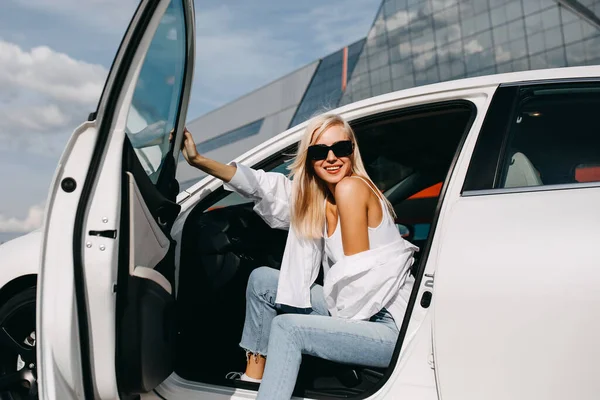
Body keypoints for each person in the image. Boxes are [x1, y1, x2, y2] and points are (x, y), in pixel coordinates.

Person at [181, 113, 418, 400]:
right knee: (262, 281)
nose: (331, 158)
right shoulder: (318, 200)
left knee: (288, 329)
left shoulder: (350, 188)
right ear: (310, 158)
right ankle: (253, 381)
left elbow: (359, 290)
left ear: (352, 151)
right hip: (357, 307)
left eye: (340, 149)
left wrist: (309, 320)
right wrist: (198, 160)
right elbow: (260, 184)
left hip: (388, 326)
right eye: (320, 151)